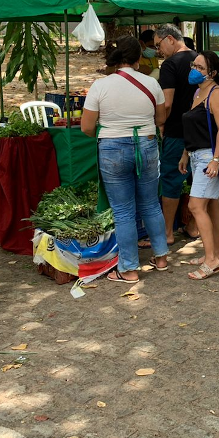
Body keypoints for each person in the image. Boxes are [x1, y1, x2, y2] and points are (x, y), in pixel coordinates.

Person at [81, 37, 168, 281]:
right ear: (139, 58)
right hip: (147, 144)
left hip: (112, 147)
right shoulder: (151, 83)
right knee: (151, 204)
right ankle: (160, 257)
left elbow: (87, 127)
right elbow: (161, 119)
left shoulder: (100, 85)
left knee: (123, 211)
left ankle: (129, 269)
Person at [179, 52, 219, 281]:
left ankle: (212, 260)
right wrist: (184, 154)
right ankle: (215, 253)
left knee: (196, 206)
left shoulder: (217, 94)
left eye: (200, 67)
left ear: (213, 73)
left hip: (208, 157)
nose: (194, 69)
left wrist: (216, 160)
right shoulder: (198, 92)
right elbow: (193, 126)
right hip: (195, 155)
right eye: (194, 65)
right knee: (211, 206)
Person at [154, 24, 199, 245]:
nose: (158, 50)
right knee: (199, 180)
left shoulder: (170, 65)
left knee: (171, 179)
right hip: (201, 132)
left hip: (177, 131)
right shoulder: (200, 58)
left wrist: (160, 123)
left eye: (158, 44)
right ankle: (193, 226)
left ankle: (167, 233)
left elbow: (168, 102)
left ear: (170, 39)